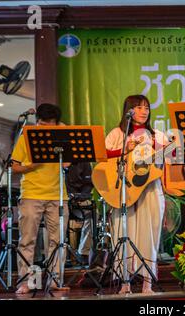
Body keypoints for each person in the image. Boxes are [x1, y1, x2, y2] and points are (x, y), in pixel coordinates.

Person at [105, 94, 167, 294]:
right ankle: (125, 283)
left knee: (150, 234)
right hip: (124, 191)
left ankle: (148, 283)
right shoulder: (117, 134)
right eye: (139, 107)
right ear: (128, 111)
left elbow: (169, 157)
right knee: (124, 233)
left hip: (150, 190)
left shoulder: (157, 134)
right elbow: (102, 154)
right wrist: (124, 150)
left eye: (147, 108)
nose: (144, 111)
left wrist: (165, 149)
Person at [11, 103, 70, 294]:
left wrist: (62, 131)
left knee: (58, 240)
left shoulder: (62, 134)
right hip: (31, 194)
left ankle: (54, 280)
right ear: (38, 122)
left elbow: (68, 162)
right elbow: (15, 166)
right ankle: (28, 282)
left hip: (58, 194)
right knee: (28, 240)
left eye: (50, 125)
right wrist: (33, 165)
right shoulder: (27, 135)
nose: (45, 129)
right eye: (42, 125)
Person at [65, 161, 95, 264]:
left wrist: (80, 197)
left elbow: (88, 184)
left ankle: (83, 252)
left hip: (78, 199)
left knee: (93, 213)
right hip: (58, 199)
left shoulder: (83, 161)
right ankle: (59, 255)